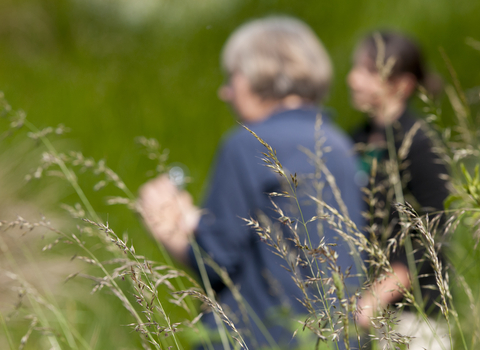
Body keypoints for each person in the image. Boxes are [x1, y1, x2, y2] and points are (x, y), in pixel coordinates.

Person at [138, 16, 364, 349]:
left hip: (258, 337)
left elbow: (217, 262)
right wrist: (198, 223)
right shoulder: (340, 143)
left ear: (260, 74)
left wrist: (167, 226)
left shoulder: (246, 143)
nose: (225, 91)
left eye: (232, 76)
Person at [348, 31, 451, 349]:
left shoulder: (420, 144)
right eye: (355, 68)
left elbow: (432, 230)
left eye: (368, 71)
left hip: (415, 315)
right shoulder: (355, 139)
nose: (353, 79)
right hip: (365, 307)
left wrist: (380, 293)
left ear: (403, 85)